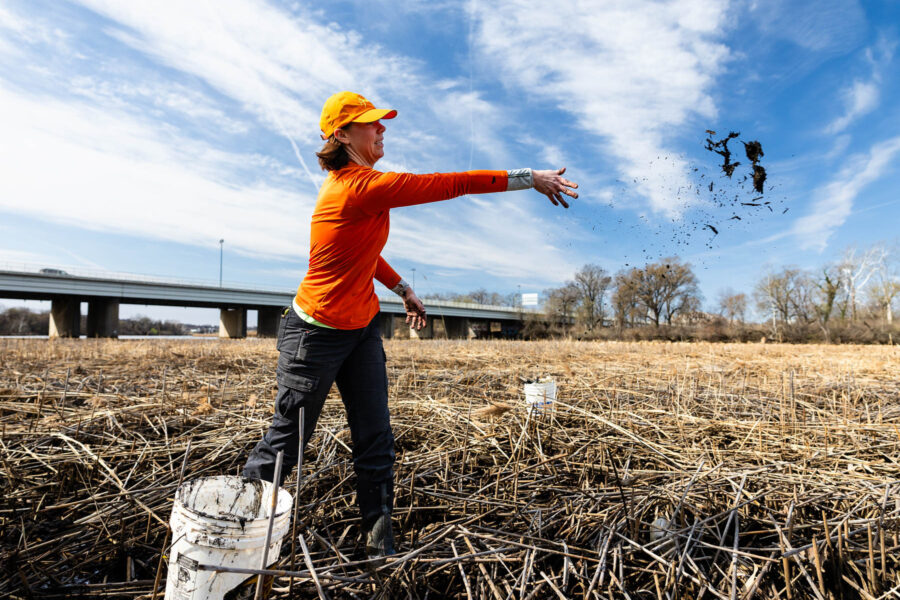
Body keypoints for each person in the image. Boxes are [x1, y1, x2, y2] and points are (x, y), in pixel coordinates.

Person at [243, 91, 578, 562]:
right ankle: (236, 533)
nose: (382, 129)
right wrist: (528, 178)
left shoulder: (361, 191)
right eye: (371, 123)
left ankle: (378, 549)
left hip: (361, 330)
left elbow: (364, 253)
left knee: (375, 438)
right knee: (288, 440)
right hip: (314, 333)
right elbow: (450, 183)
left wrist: (403, 289)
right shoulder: (356, 187)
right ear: (342, 135)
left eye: (381, 122)